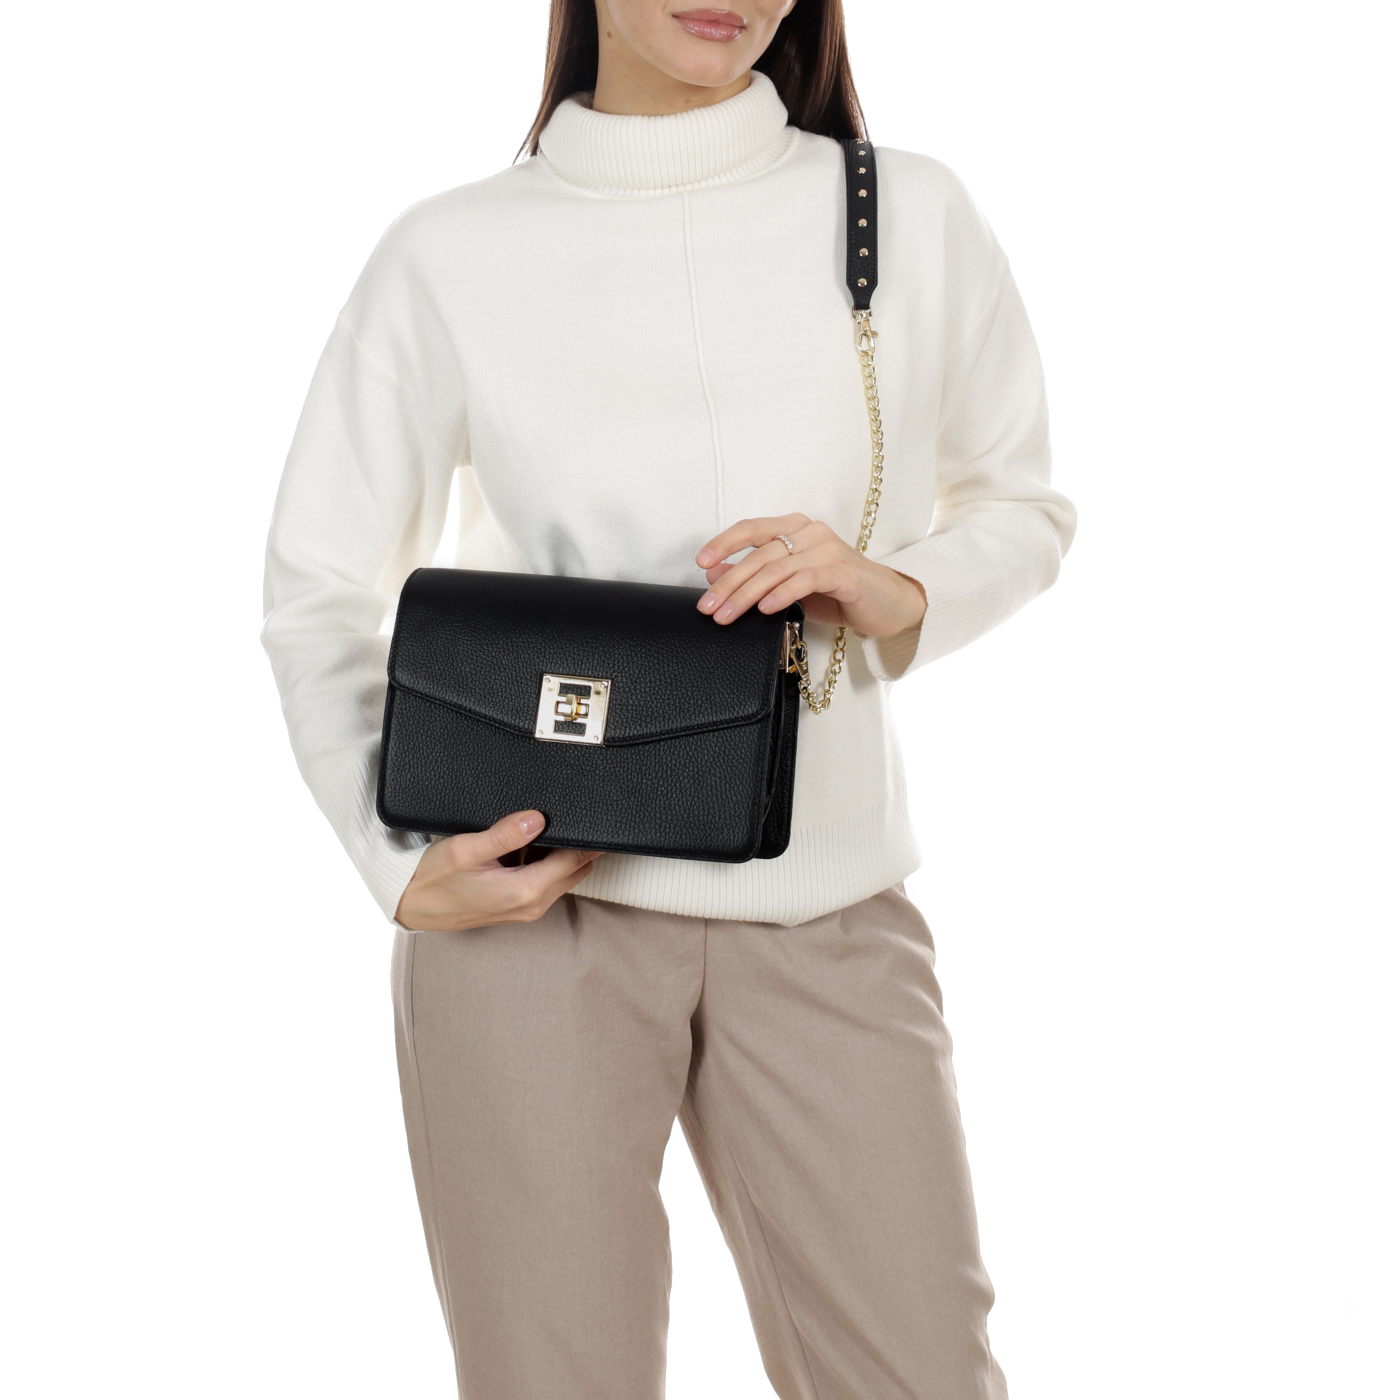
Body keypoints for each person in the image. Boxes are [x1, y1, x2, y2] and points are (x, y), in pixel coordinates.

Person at [261, 2, 1076, 1395]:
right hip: (532, 909)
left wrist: (892, 586)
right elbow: (318, 586)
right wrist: (397, 859)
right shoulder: (452, 252)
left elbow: (1021, 504)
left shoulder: (905, 214)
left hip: (829, 910)